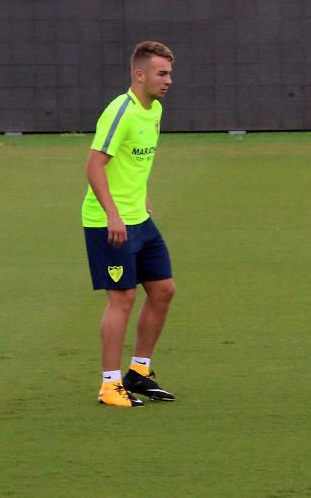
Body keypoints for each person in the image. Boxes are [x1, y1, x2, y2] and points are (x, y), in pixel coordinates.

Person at [82, 41, 178, 407]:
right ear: (139, 75)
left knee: (164, 290)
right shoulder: (119, 112)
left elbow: (133, 164)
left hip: (139, 217)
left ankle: (138, 373)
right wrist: (113, 215)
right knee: (121, 299)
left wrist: (143, 196)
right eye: (161, 73)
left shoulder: (153, 110)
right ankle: (110, 386)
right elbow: (94, 165)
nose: (168, 80)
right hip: (109, 222)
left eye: (169, 73)